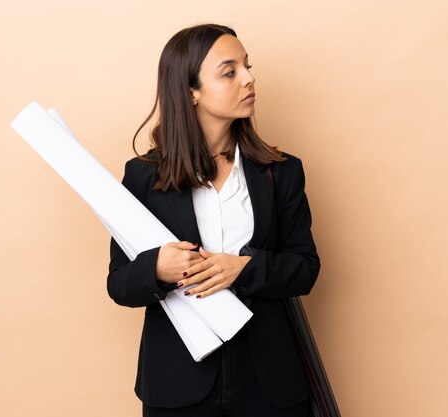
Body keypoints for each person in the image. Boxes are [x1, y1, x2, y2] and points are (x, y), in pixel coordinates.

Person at [106, 23, 320, 417]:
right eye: (230, 71)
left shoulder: (282, 171)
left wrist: (244, 268)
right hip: (178, 383)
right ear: (190, 91)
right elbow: (119, 284)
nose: (249, 78)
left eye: (247, 66)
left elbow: (305, 269)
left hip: (270, 381)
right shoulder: (143, 176)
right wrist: (157, 268)